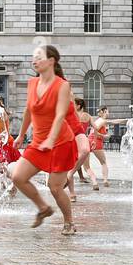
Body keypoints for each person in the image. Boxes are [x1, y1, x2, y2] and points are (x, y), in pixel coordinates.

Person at [10, 44, 78, 234]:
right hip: (38, 142)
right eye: (34, 57)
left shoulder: (62, 85)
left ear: (51, 61)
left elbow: (60, 115)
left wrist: (51, 138)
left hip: (61, 142)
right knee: (18, 177)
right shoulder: (32, 83)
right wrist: (21, 135)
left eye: (39, 57)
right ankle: (43, 208)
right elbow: (28, 111)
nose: (35, 60)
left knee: (55, 188)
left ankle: (69, 222)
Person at [87, 106, 111, 189]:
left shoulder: (98, 121)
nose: (109, 113)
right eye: (108, 111)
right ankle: (105, 180)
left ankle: (94, 182)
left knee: (86, 166)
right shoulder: (102, 121)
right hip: (96, 141)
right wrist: (104, 136)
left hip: (89, 140)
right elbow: (95, 132)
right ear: (104, 111)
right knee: (103, 162)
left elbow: (92, 131)